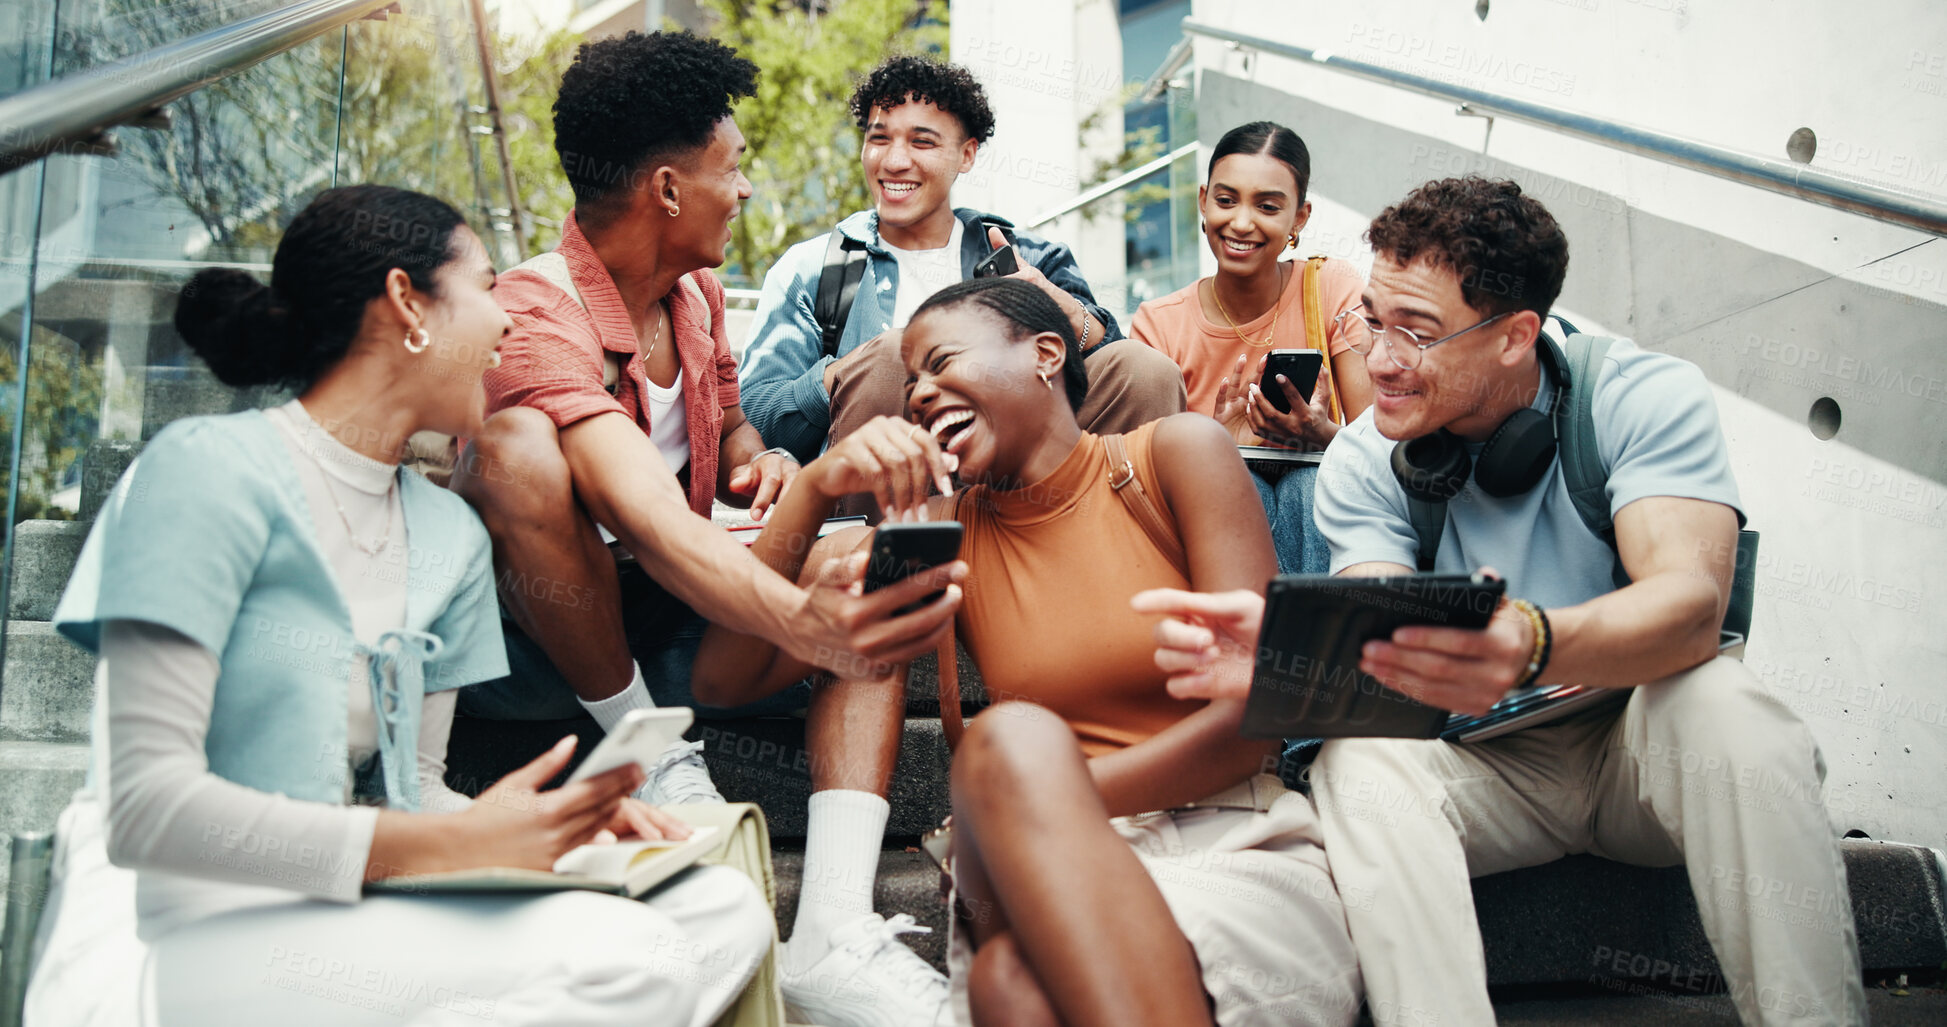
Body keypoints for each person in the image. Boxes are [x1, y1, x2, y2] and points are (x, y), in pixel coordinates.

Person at [26, 184, 772, 1026]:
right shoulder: (204, 470)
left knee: (719, 913)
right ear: (406, 303)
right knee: (630, 961)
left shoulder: (447, 533)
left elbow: (413, 791)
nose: (507, 322)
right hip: (170, 923)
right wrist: (461, 840)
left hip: (335, 912)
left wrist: (536, 825)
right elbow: (146, 813)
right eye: (485, 289)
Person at [1139, 177, 1866, 1026]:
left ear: (1516, 335)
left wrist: (1526, 640)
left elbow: (1690, 609)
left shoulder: (1637, 394)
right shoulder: (1364, 458)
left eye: (1418, 333)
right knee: (1356, 761)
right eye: (1373, 321)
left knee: (1724, 704)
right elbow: (1384, 643)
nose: (1379, 361)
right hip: (1485, 770)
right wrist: (1296, 655)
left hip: (1641, 750)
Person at [696, 278, 1364, 1027]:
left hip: (1229, 842)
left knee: (1008, 777)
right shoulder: (938, 534)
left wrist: (1033, 803)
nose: (920, 394)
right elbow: (725, 678)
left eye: (941, 362)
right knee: (1006, 973)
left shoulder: (1174, 454)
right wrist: (816, 488)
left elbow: (1258, 718)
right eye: (910, 383)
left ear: (1047, 354)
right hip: (1037, 863)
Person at [452, 32, 960, 803]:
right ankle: (651, 753)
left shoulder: (694, 295)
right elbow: (647, 512)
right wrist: (801, 621)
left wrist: (763, 462)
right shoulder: (531, 312)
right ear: (666, 190)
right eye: (732, 168)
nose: (745, 188)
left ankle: (839, 877)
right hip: (530, 653)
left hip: (667, 616)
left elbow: (728, 433)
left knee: (862, 559)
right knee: (515, 447)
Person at [738, 54, 1187, 477]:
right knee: (893, 354)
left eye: (922, 141)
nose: (894, 161)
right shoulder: (814, 270)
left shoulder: (1029, 259)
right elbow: (756, 425)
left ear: (966, 155)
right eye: (879, 138)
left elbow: (1119, 383)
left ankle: (1104, 527)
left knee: (1146, 370)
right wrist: (845, 373)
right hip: (883, 505)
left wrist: (1064, 312)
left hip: (1019, 488)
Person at [1131, 121, 1372, 573]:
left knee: (1308, 487)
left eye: (1267, 206)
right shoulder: (1158, 323)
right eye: (1226, 201)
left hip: (1323, 501)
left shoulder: (1333, 288)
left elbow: (1377, 449)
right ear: (1203, 201)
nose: (1241, 223)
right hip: (1214, 514)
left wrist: (1319, 433)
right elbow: (1143, 480)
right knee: (1243, 486)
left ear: (1299, 218)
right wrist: (1214, 446)